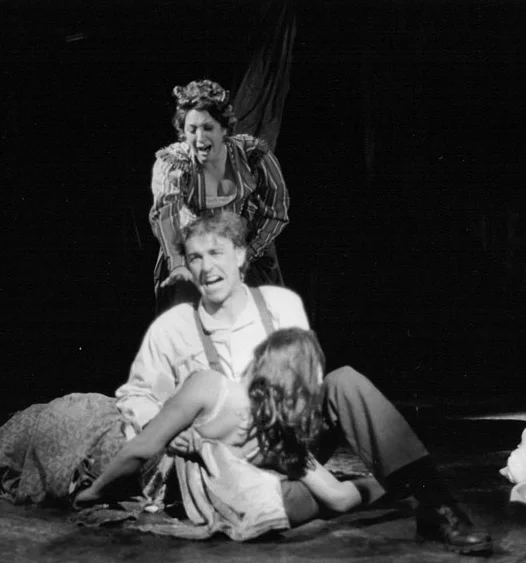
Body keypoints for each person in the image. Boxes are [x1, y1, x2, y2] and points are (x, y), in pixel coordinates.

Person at [115, 210, 493, 554]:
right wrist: (163, 427)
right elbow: (136, 394)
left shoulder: (280, 305)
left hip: (284, 437)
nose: (206, 267)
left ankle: (439, 506)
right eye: (195, 257)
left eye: (216, 253)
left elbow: (306, 377)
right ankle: (389, 481)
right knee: (288, 507)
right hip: (223, 459)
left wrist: (282, 431)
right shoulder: (172, 328)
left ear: (241, 256)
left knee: (344, 380)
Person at [73, 328, 363, 539]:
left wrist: (92, 494)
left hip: (128, 456)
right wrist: (380, 482)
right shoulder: (274, 434)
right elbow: (339, 498)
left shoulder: (222, 394)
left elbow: (142, 448)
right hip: (132, 444)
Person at [149, 79, 289, 314]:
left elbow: (277, 209)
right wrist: (178, 263)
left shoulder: (252, 155)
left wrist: (248, 252)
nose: (200, 138)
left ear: (224, 129)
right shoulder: (174, 164)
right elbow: (166, 216)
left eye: (208, 128)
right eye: (192, 129)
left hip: (243, 257)